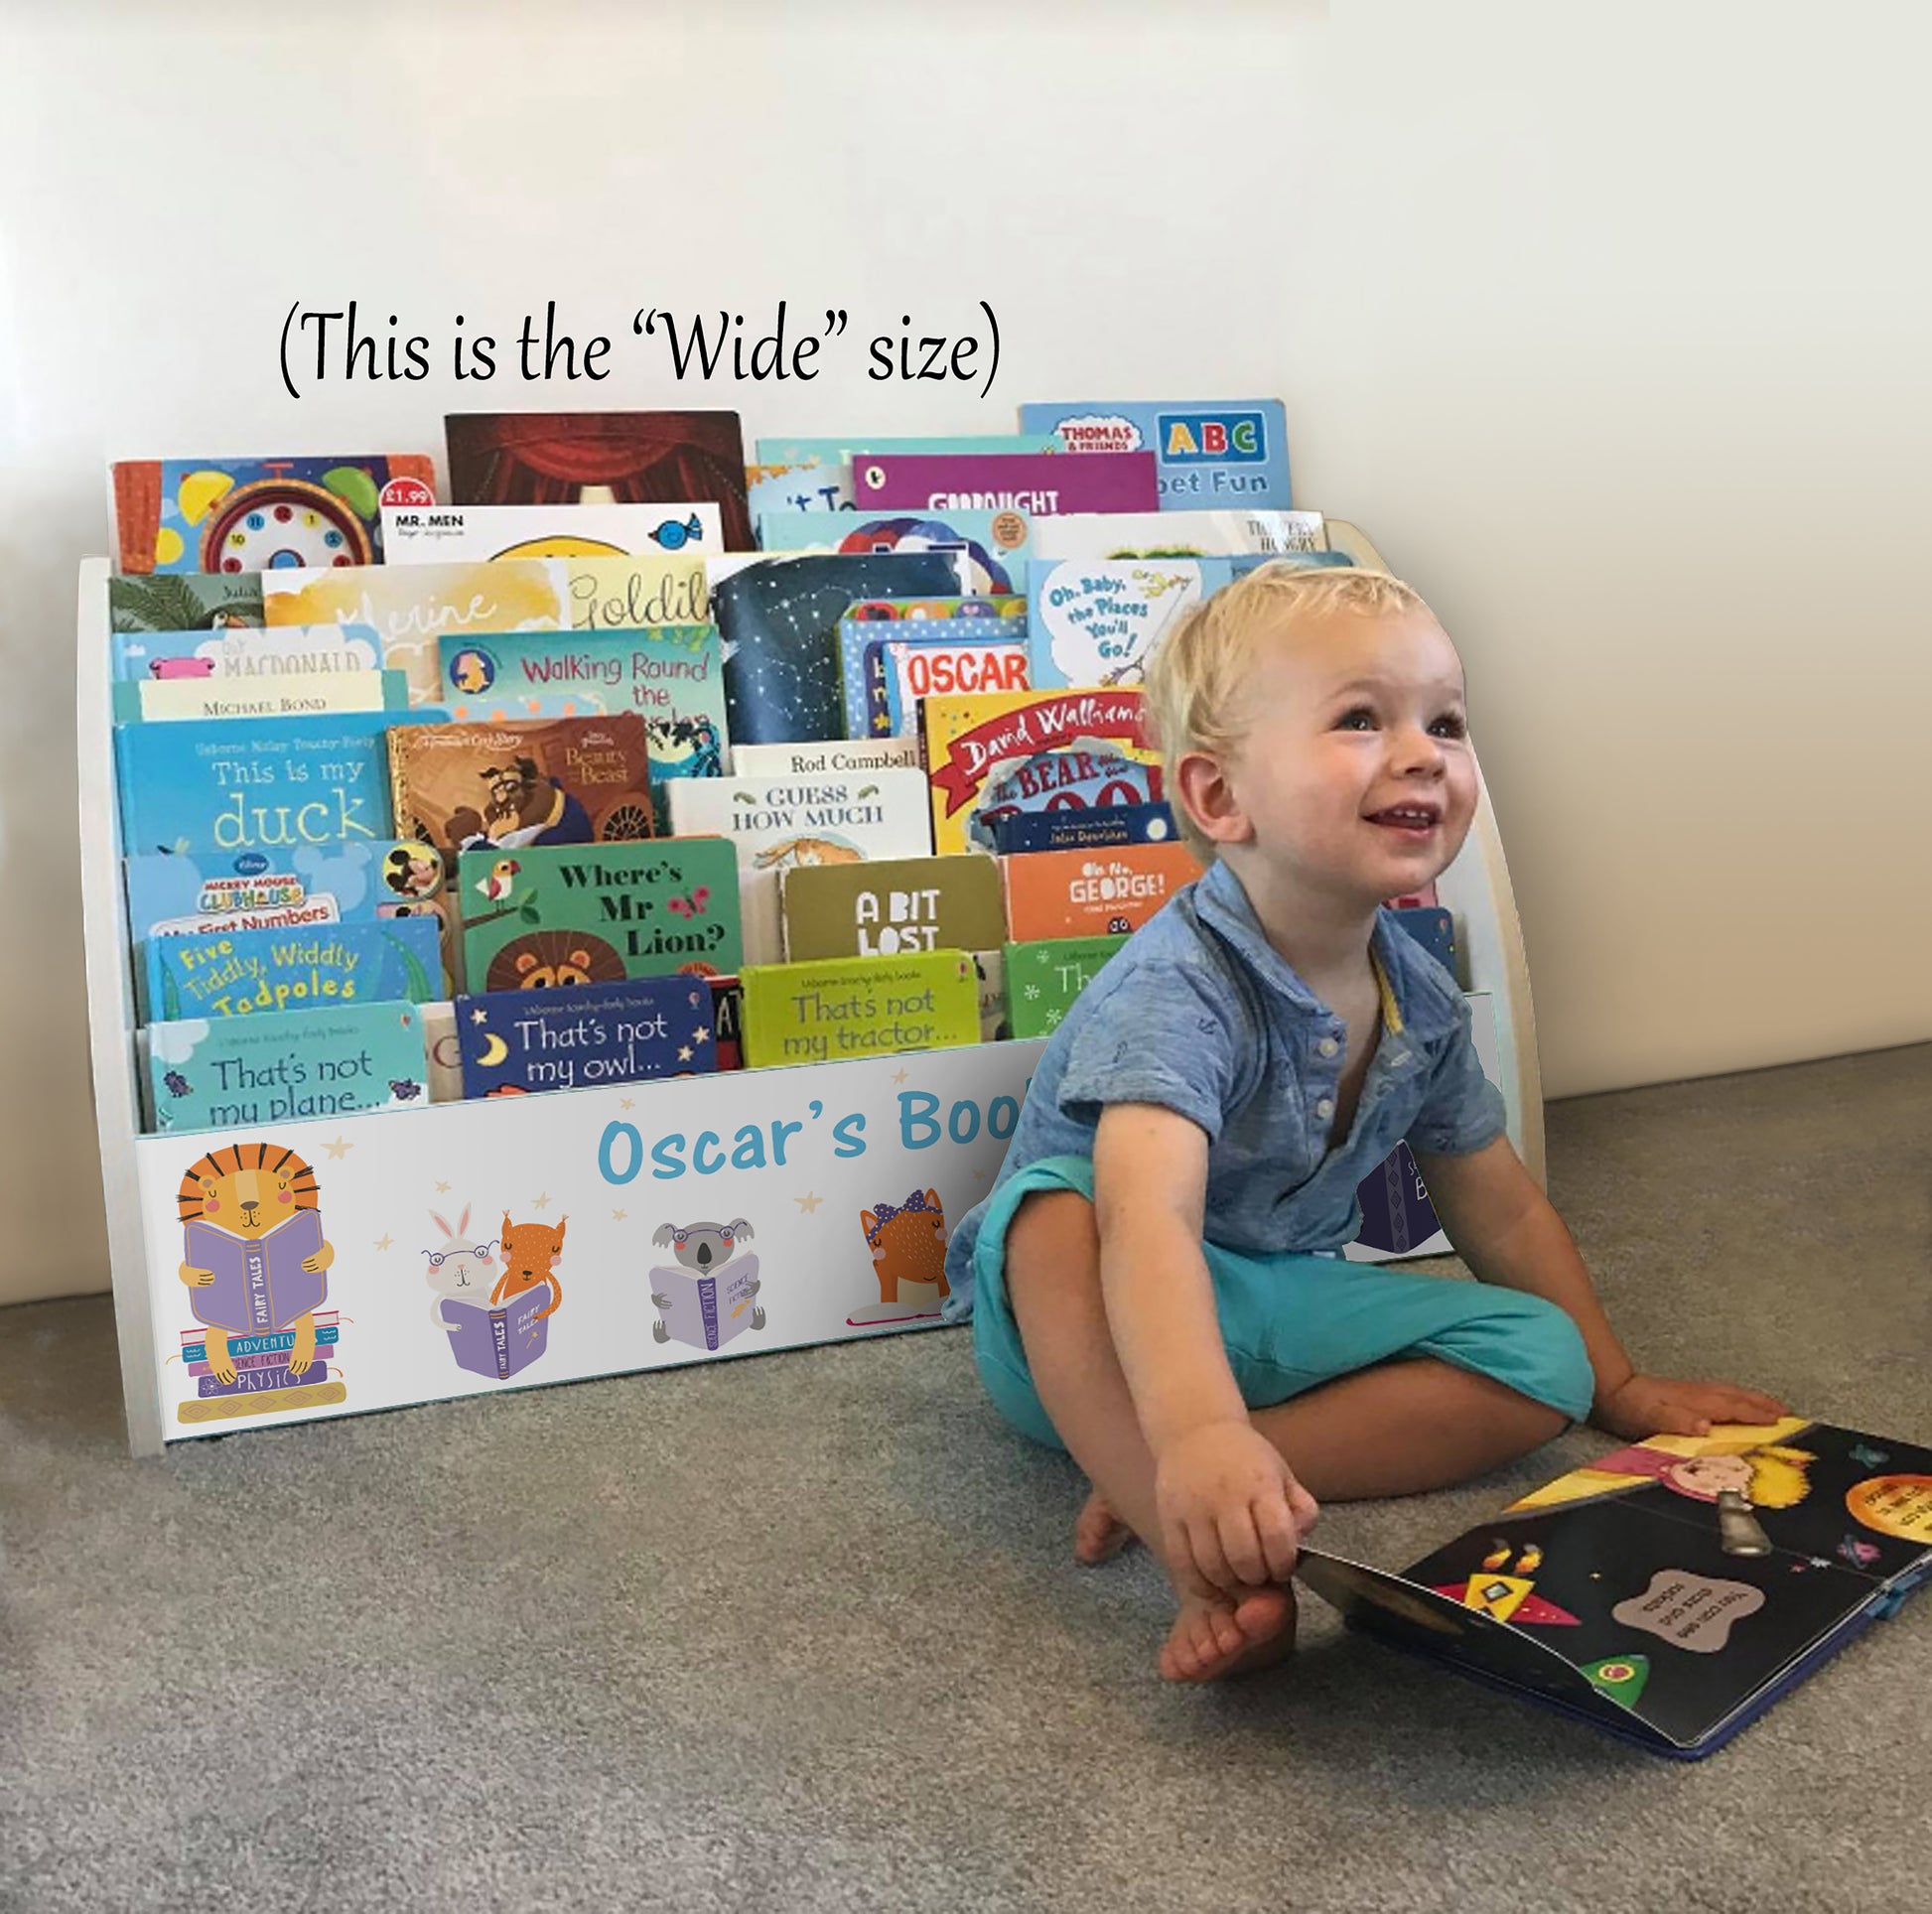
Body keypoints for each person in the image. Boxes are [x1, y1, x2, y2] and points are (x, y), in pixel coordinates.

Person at [940, 563, 1787, 1683]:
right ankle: (1193, 1533)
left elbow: (1499, 1206)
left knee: (1544, 1359)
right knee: (1055, 1212)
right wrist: (1194, 1430)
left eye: (1445, 721)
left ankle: (1199, 1480)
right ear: (1218, 797)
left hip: (1264, 1308)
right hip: (1084, 1339)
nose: (1422, 752)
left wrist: (1617, 1385)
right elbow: (1149, 1227)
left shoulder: (1417, 995)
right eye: (1359, 719)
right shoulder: (1176, 989)